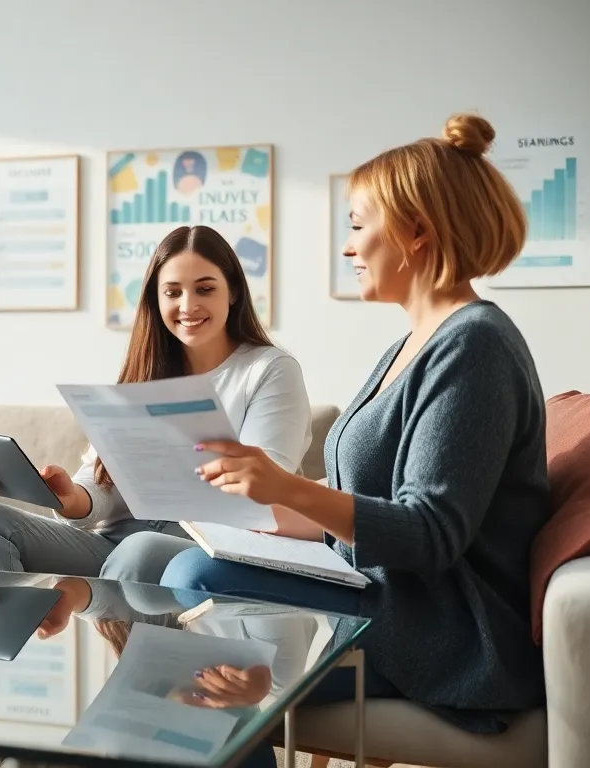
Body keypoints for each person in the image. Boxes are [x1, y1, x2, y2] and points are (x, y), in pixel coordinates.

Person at [159, 114, 551, 768]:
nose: (348, 248)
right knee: (189, 573)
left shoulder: (475, 345)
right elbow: (356, 505)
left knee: (197, 598)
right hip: (381, 595)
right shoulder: (411, 345)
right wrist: (258, 516)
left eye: (358, 226)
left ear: (416, 232)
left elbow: (430, 534)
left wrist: (286, 487)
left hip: (443, 629)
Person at [0, 224, 313, 584]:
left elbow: (267, 491)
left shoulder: (269, 370)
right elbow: (100, 487)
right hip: (114, 541)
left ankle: (97, 615)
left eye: (205, 289)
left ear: (232, 292)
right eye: (172, 292)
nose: (188, 305)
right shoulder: (146, 370)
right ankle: (0, 632)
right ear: (156, 298)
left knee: (138, 552)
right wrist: (68, 495)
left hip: (204, 545)